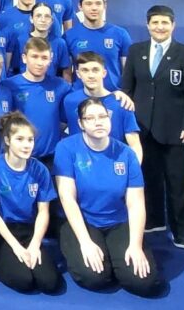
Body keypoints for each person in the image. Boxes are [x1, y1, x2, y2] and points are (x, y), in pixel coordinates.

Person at [54, 98, 162, 296]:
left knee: (144, 283)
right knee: (95, 278)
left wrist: (135, 245)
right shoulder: (66, 148)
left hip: (117, 221)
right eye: (90, 118)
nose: (98, 122)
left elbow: (136, 203)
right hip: (84, 221)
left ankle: (116, 256)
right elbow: (67, 197)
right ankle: (92, 252)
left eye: (103, 116)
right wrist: (85, 242)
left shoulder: (127, 154)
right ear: (81, 124)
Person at [121, 5, 184, 247]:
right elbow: (127, 90)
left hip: (177, 132)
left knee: (177, 183)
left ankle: (181, 231)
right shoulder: (136, 51)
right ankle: (154, 221)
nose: (160, 27)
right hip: (143, 129)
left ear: (173, 25)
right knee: (148, 179)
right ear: (147, 25)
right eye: (155, 23)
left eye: (165, 23)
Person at [0, 112, 61, 293]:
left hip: (28, 229)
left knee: (49, 283)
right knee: (23, 281)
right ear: (8, 141)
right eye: (20, 139)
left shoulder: (39, 169)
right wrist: (16, 247)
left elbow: (43, 211)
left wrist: (34, 245)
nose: (27, 145)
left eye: (30, 140)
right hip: (2, 231)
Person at [3, 37, 72, 166]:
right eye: (34, 56)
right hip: (19, 158)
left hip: (52, 158)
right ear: (24, 58)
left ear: (51, 59)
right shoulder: (9, 86)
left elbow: (84, 97)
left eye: (44, 58)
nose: (39, 63)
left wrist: (114, 94)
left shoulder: (60, 85)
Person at [64, 52, 142, 162]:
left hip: (113, 165)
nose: (91, 75)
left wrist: (132, 172)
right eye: (85, 70)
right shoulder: (69, 101)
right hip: (81, 167)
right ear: (78, 73)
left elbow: (135, 144)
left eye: (95, 70)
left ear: (104, 73)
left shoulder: (121, 103)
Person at [64, 0, 131, 91]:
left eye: (98, 4)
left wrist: (124, 93)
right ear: (80, 6)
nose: (94, 8)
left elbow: (128, 72)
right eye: (89, 4)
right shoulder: (69, 36)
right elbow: (67, 73)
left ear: (105, 6)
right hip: (81, 97)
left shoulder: (120, 34)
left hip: (112, 96)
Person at [9, 2, 71, 80]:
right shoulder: (21, 40)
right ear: (31, 19)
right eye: (38, 16)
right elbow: (14, 69)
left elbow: (65, 72)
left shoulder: (60, 43)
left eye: (47, 16)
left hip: (51, 88)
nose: (43, 20)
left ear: (52, 21)